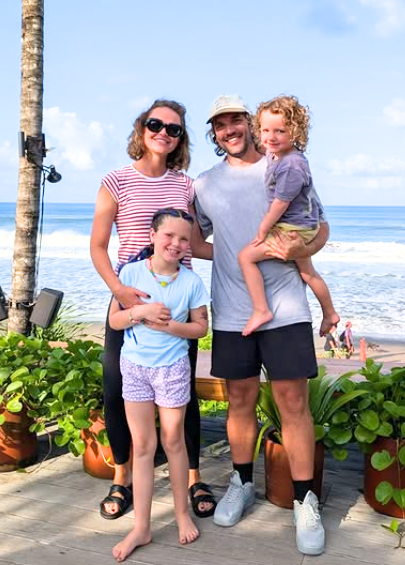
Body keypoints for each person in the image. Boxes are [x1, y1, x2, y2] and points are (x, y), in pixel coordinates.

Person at [194, 94, 328, 555]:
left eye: (236, 121)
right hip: (232, 309)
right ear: (213, 133)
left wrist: (289, 251)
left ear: (252, 125)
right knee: (239, 400)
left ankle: (305, 498)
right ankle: (241, 482)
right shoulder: (204, 184)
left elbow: (320, 227)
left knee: (293, 402)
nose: (229, 130)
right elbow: (195, 240)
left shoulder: (282, 165)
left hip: (287, 306)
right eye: (220, 125)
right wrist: (234, 253)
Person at [90, 99, 215, 523]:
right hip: (129, 299)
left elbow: (194, 245)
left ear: (181, 139)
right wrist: (120, 292)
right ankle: (122, 477)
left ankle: (194, 475)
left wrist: (253, 255)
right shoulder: (116, 181)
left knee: (184, 394)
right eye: (156, 124)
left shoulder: (185, 185)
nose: (164, 132)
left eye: (174, 128)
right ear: (142, 127)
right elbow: (97, 245)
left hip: (179, 302)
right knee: (117, 390)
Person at [109, 208, 209, 561]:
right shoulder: (131, 272)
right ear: (152, 235)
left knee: (173, 441)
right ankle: (142, 527)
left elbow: (201, 328)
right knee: (143, 447)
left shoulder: (192, 282)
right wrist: (142, 312)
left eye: (184, 239)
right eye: (169, 235)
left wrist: (170, 328)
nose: (176, 243)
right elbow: (116, 320)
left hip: (172, 369)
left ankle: (182, 514)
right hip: (134, 367)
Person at [238, 95, 339, 337]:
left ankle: (261, 309)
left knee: (245, 257)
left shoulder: (291, 165)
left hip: (292, 227)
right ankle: (330, 313)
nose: (270, 137)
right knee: (307, 272)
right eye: (264, 130)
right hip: (300, 224)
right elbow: (265, 144)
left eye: (279, 131)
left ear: (295, 132)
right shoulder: (278, 153)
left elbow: (280, 204)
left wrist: (263, 229)